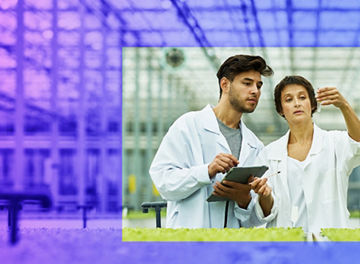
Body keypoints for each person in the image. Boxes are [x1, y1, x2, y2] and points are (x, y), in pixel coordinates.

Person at [149, 54, 277, 228]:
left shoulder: (254, 145)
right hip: (190, 242)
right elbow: (163, 182)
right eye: (247, 83)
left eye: (259, 85)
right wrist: (207, 171)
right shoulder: (188, 126)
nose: (255, 90)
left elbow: (252, 221)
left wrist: (244, 200)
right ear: (225, 84)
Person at [262, 75, 360, 233]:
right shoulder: (270, 153)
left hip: (329, 244)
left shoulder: (334, 142)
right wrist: (264, 196)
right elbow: (268, 209)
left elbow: (358, 143)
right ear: (281, 110)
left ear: (312, 104)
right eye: (288, 99)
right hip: (288, 243)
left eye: (302, 97)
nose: (297, 103)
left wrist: (344, 106)